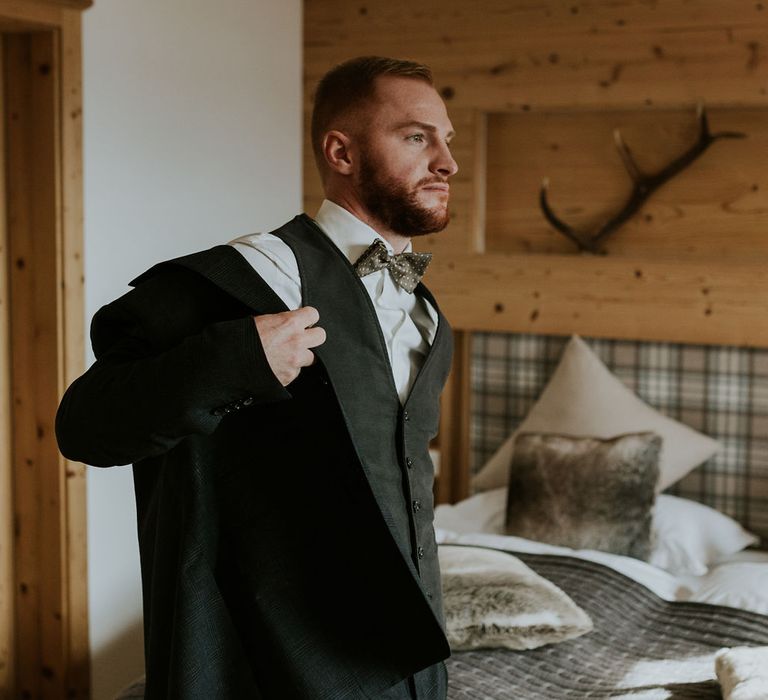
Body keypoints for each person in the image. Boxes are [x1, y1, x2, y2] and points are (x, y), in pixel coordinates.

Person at [56, 55, 458, 699]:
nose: (447, 161)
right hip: (279, 663)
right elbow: (84, 424)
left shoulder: (427, 314)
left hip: (412, 658)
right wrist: (235, 361)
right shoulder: (246, 280)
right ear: (342, 152)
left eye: (446, 139)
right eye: (417, 136)